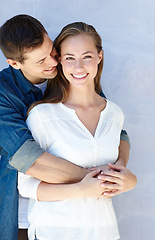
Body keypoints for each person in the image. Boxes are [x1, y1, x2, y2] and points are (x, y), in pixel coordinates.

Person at [0, 15, 136, 240]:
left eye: (52, 51)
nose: (53, 63)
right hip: (23, 215)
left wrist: (120, 171)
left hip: (93, 220)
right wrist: (98, 181)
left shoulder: (70, 73)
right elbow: (28, 158)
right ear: (14, 63)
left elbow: (115, 131)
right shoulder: (4, 93)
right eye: (41, 60)